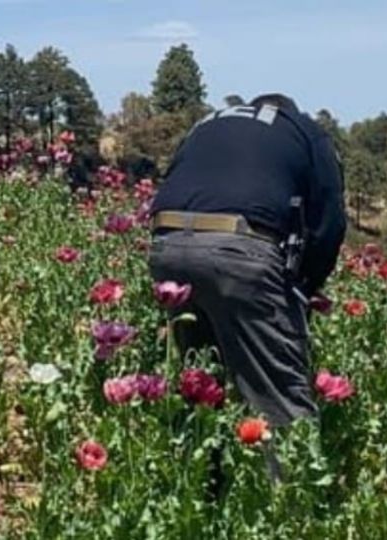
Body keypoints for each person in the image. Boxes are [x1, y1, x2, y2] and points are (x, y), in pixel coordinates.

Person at [148, 93, 347, 434]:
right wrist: (305, 289)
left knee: (202, 381)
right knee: (278, 393)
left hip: (166, 246)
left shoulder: (206, 124)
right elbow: (329, 221)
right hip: (239, 251)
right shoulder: (301, 128)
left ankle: (203, 480)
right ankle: (288, 484)